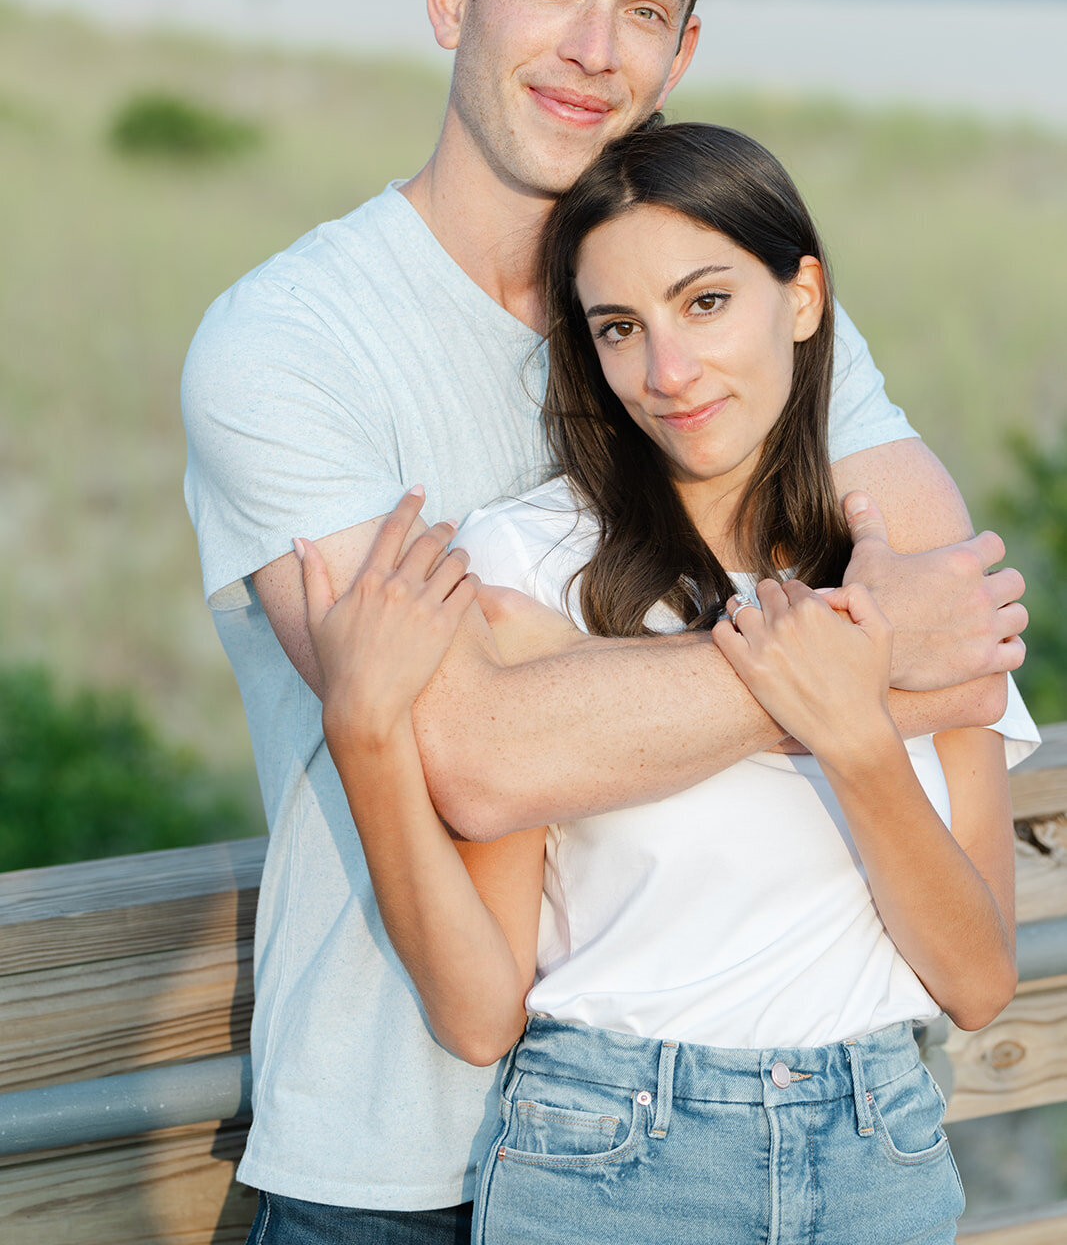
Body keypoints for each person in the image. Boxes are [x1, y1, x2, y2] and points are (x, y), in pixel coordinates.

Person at [181, 0, 1027, 1243]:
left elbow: (941, 600)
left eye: (644, 7)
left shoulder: (728, 325)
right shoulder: (288, 342)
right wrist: (834, 667)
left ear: (683, 50)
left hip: (787, 1141)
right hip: (391, 1152)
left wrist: (856, 653)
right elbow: (473, 756)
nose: (592, 50)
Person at [295, 120, 1037, 1245]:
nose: (668, 372)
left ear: (800, 296)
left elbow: (978, 981)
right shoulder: (528, 564)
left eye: (704, 303)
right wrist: (363, 731)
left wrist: (851, 730)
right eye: (618, 328)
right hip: (606, 1159)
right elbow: (478, 1009)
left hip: (877, 1156)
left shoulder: (902, 573)